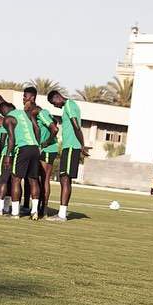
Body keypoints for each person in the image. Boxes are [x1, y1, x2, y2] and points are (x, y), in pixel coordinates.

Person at [47, 90, 90, 221]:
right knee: (64, 179)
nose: (56, 106)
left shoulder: (70, 105)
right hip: (69, 146)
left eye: (54, 103)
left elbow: (76, 125)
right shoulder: (69, 105)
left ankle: (62, 214)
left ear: (58, 97)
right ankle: (62, 212)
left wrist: (82, 145)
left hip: (72, 146)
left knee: (65, 179)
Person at [0, 101, 41, 220]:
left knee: (16, 179)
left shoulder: (8, 119)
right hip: (34, 148)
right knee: (33, 180)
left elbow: (11, 138)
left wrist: (8, 155)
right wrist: (37, 144)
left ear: (3, 110)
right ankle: (34, 211)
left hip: (22, 148)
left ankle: (15, 212)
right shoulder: (25, 114)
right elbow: (37, 129)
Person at [23, 87, 59, 217]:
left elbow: (54, 129)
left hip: (48, 149)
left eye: (25, 97)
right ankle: (32, 207)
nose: (23, 99)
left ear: (32, 98)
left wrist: (46, 143)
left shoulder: (42, 112)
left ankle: (44, 209)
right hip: (38, 149)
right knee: (33, 178)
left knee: (44, 179)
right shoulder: (32, 113)